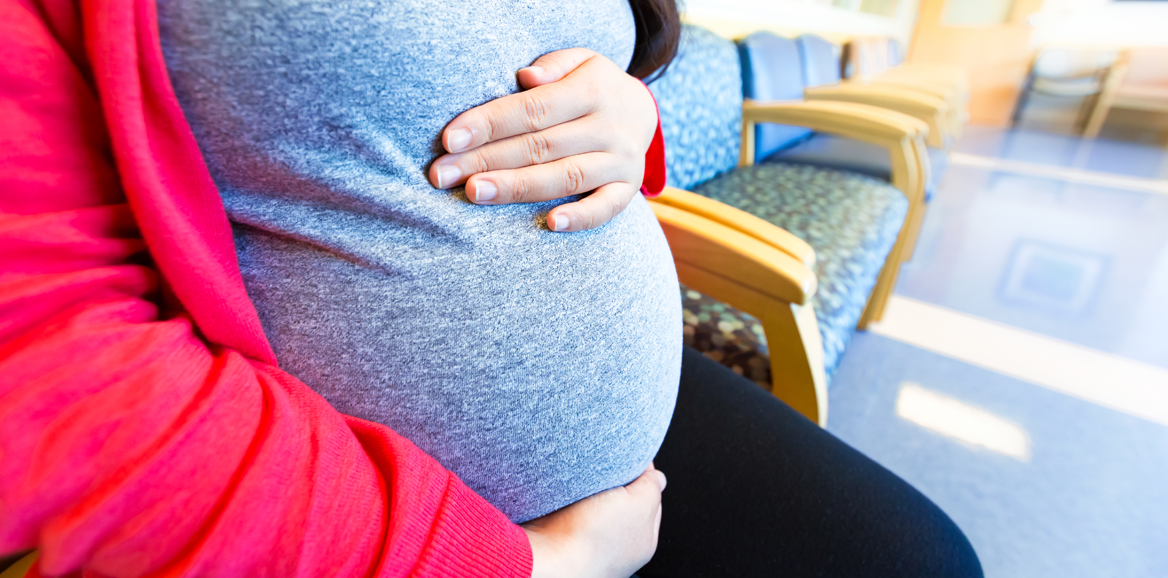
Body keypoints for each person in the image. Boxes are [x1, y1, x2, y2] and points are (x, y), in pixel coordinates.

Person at [0, 1, 983, 577]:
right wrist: (533, 566)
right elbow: (46, 370)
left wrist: (628, 119)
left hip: (617, 443)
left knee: (909, 558)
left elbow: (485, 99)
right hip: (360, 489)